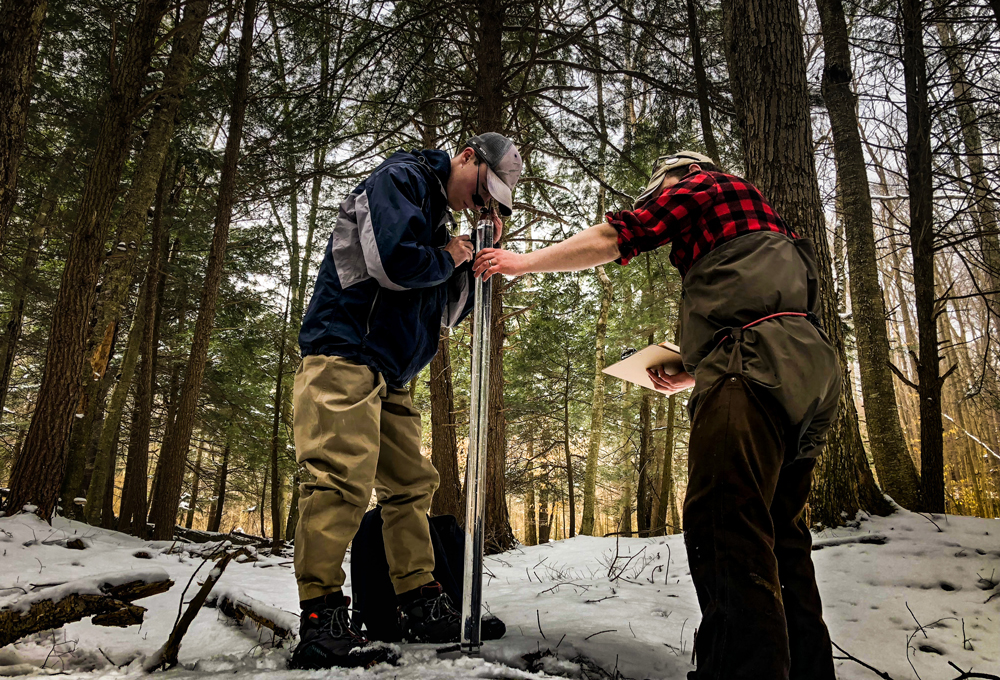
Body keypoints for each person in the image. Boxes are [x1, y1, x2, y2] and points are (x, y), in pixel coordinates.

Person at [473, 151, 840, 680]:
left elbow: (618, 236)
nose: (657, 199)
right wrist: (695, 369)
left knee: (724, 524)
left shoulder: (703, 185)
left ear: (681, 176)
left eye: (658, 190)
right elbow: (768, 302)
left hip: (751, 363)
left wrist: (520, 262)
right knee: (781, 535)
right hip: (806, 372)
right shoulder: (763, 220)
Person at [291, 132, 522, 670]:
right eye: (482, 189)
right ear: (466, 156)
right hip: (345, 351)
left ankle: (421, 600)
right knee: (339, 478)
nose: (481, 203)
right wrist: (447, 252)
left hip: (390, 371)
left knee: (412, 484)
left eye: (491, 201)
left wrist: (468, 262)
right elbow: (391, 263)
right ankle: (321, 618)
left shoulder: (438, 220)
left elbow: (443, 313)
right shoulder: (401, 179)